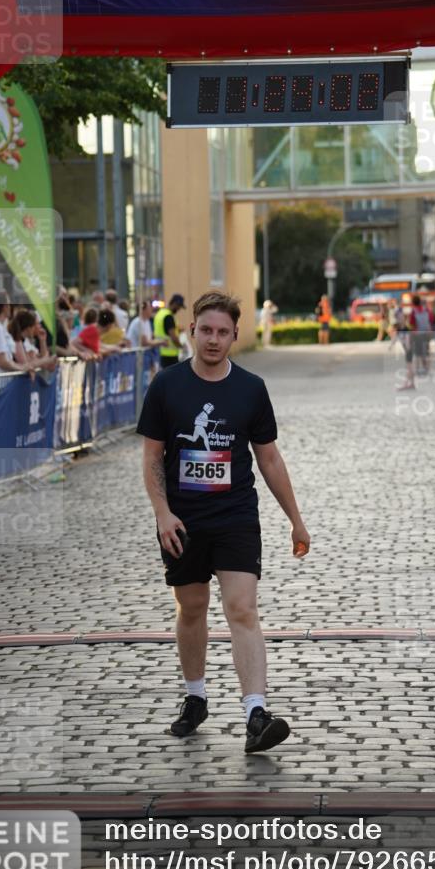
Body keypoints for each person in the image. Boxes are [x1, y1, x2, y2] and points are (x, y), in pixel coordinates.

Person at [136, 290, 310, 754]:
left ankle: (256, 712)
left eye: (223, 332)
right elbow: (152, 457)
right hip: (183, 521)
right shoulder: (166, 385)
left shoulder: (251, 389)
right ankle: (195, 698)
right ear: (192, 330)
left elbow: (269, 459)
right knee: (191, 607)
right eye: (206, 330)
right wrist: (162, 513)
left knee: (242, 608)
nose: (214, 340)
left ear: (236, 335)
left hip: (236, 515)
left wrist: (296, 520)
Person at [153, 294, 185, 368]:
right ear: (175, 304)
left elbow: (161, 331)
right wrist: (181, 346)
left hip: (160, 353)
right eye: (179, 307)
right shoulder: (168, 317)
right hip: (170, 356)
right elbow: (173, 337)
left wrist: (178, 330)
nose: (179, 309)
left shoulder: (160, 314)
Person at [408, 293, 432, 375]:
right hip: (426, 333)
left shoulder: (413, 311)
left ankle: (418, 369)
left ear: (413, 302)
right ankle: (426, 369)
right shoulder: (426, 310)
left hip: (417, 334)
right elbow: (431, 320)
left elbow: (412, 324)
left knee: (417, 353)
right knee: (426, 352)